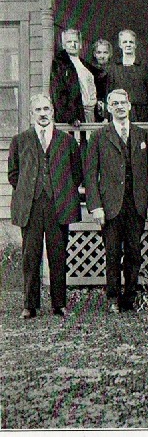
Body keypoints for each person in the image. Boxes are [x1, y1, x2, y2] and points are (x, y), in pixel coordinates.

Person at [85, 89, 148, 312]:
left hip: (136, 202)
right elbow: (91, 174)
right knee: (113, 252)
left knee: (134, 252)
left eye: (122, 103)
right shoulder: (99, 136)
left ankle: (131, 297)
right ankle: (113, 297)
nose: (119, 107)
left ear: (129, 106)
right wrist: (96, 206)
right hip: (110, 205)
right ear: (108, 108)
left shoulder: (142, 135)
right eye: (114, 103)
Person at [9, 94, 82, 319]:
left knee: (58, 254)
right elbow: (14, 175)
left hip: (58, 205)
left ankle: (59, 304)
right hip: (30, 206)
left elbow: (76, 173)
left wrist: (60, 191)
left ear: (53, 112)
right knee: (30, 255)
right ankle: (29, 305)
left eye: (46, 109)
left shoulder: (67, 140)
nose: (43, 114)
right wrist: (30, 190)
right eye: (38, 110)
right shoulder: (20, 140)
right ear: (32, 114)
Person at [50, 28, 102, 125]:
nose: (73, 44)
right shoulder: (60, 64)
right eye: (69, 42)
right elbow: (58, 93)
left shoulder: (85, 65)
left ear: (80, 44)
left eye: (76, 42)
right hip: (75, 117)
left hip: (91, 113)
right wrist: (70, 117)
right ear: (64, 44)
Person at [106, 29, 148, 122]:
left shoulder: (145, 66)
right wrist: (107, 116)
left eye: (131, 42)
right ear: (120, 45)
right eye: (125, 42)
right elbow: (109, 92)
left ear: (135, 45)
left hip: (142, 113)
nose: (128, 44)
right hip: (119, 112)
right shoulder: (113, 68)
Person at [89, 38, 113, 121]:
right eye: (99, 52)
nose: (102, 56)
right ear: (94, 54)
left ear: (110, 54)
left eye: (105, 52)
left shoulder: (114, 71)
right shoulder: (88, 71)